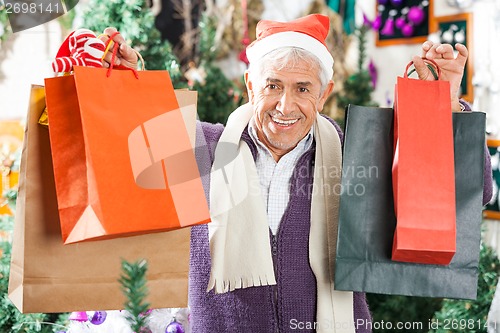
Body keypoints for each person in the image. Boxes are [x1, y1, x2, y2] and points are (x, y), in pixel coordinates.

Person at [100, 14, 492, 333]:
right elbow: (127, 149)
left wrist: (445, 107)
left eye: (303, 88)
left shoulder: (357, 154)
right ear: (250, 84)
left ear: (324, 94)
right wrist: (127, 80)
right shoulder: (202, 146)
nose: (285, 105)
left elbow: (461, 193)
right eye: (272, 85)